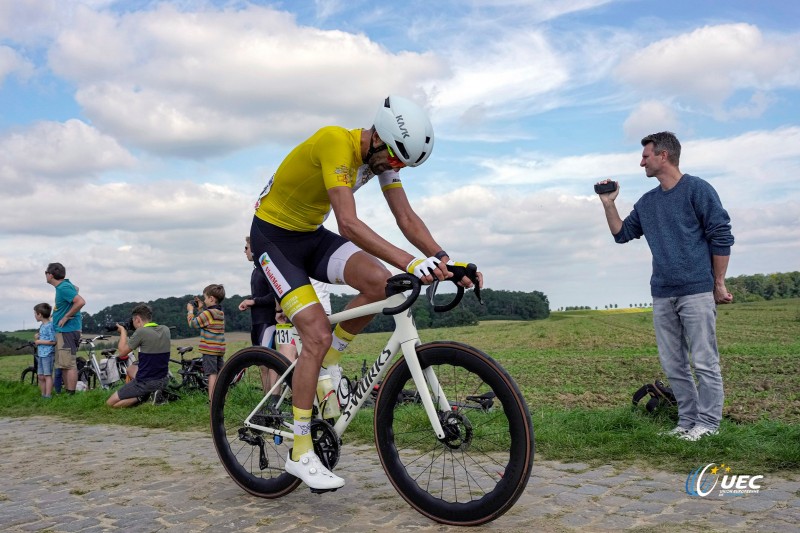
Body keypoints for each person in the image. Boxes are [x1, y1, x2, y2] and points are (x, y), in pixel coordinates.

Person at [249, 95, 481, 490]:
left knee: (379, 283)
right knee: (316, 332)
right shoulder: (335, 142)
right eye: (393, 160)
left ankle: (325, 362)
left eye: (401, 165)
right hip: (273, 238)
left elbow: (405, 217)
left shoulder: (382, 157)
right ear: (377, 139)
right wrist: (411, 262)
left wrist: (444, 261)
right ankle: (300, 451)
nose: (393, 169)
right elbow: (349, 225)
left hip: (309, 236)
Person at [597, 131, 734, 442]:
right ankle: (687, 423)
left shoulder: (697, 190)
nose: (641, 161)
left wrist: (718, 283)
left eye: (646, 155)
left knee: (704, 361)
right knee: (673, 364)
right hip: (662, 292)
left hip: (697, 290)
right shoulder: (648, 203)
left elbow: (721, 235)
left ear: (663, 156)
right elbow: (621, 234)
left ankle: (709, 425)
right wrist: (608, 203)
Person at [106, 305, 171, 408]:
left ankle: (144, 396)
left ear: (137, 319)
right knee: (131, 368)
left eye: (133, 321)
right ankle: (156, 393)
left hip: (145, 382)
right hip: (163, 379)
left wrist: (123, 331)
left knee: (110, 404)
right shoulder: (165, 329)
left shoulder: (141, 332)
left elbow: (122, 352)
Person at [46, 263, 86, 395]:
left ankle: (71, 394)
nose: (45, 275)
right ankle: (68, 393)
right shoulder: (65, 286)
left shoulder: (63, 287)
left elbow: (80, 301)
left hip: (67, 330)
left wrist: (66, 317)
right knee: (64, 364)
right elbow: (76, 289)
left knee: (68, 364)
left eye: (46, 272)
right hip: (66, 330)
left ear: (51, 275)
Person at [187, 284, 226, 402]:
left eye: (205, 298)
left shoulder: (208, 314)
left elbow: (193, 323)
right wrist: (200, 309)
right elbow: (206, 320)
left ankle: (212, 401)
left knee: (211, 374)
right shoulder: (219, 313)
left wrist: (190, 311)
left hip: (209, 350)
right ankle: (222, 400)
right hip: (219, 350)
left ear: (211, 299)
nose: (204, 300)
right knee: (221, 374)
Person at [33, 303, 56, 399]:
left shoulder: (50, 326)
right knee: (40, 376)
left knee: (47, 375)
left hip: (48, 354)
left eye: (35, 314)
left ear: (40, 314)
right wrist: (37, 336)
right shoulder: (43, 325)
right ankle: (43, 395)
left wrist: (39, 341)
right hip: (41, 354)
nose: (34, 316)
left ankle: (48, 395)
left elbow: (53, 341)